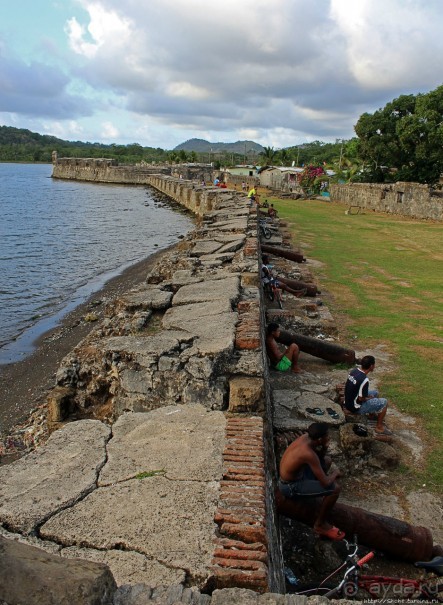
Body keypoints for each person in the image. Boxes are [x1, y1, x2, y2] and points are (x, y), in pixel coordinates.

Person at [279, 423, 344, 540]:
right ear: (319, 439)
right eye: (327, 436)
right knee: (335, 489)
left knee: (327, 460)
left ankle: (314, 492)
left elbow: (320, 458)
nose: (329, 437)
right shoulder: (307, 453)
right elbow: (325, 482)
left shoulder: (306, 438)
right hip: (290, 487)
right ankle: (320, 524)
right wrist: (335, 473)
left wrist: (325, 447)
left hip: (297, 476)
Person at [344, 355, 392, 435]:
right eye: (374, 365)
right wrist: (368, 399)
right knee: (384, 402)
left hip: (348, 401)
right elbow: (361, 398)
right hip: (354, 407)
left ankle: (371, 414)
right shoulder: (364, 379)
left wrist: (368, 397)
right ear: (371, 366)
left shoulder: (354, 371)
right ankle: (379, 427)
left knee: (375, 393)